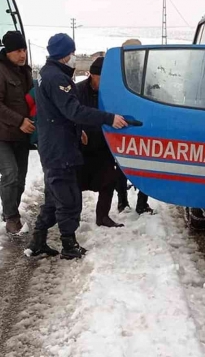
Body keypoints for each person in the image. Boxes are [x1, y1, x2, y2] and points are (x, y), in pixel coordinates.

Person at [25, 33, 128, 260]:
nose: (73, 57)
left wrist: (77, 129)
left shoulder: (45, 74)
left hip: (53, 143)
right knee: (69, 198)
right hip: (60, 147)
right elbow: (74, 110)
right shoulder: (57, 79)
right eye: (71, 53)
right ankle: (69, 246)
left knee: (54, 196)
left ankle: (38, 240)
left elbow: (58, 112)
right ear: (64, 55)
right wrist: (108, 118)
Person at [0, 31, 35, 235]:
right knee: (10, 174)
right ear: (8, 51)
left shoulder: (25, 71)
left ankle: (10, 209)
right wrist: (19, 120)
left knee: (20, 178)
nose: (22, 55)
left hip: (21, 135)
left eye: (24, 50)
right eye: (18, 51)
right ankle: (11, 217)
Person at [75, 57, 124, 228]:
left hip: (104, 144)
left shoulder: (113, 93)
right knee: (76, 183)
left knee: (109, 180)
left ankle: (102, 216)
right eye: (101, 78)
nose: (104, 82)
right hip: (82, 145)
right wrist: (78, 129)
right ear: (92, 75)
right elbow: (71, 113)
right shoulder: (78, 90)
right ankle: (74, 217)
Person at [115, 38, 155, 215]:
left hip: (142, 126)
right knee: (122, 165)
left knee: (145, 165)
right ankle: (123, 201)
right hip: (124, 125)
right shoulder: (118, 74)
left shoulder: (147, 73)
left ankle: (141, 202)